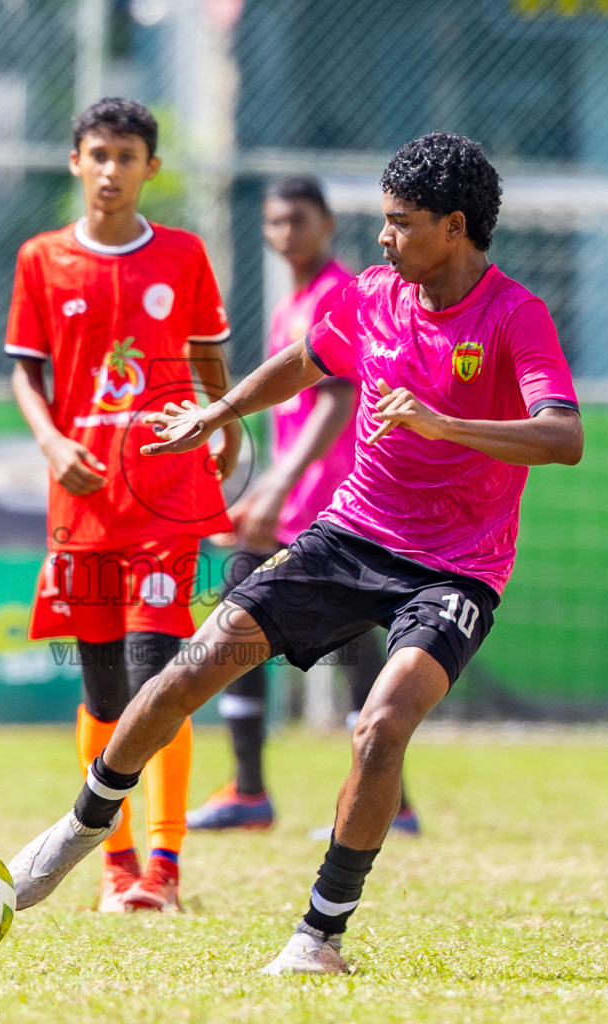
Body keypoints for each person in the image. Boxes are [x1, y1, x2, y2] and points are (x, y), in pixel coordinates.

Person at [7, 131, 583, 974]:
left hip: (455, 566)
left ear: (455, 227)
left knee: (380, 727)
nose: (382, 239)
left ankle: (320, 937)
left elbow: (563, 436)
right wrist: (217, 412)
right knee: (188, 669)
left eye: (401, 223)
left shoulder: (513, 315)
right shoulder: (373, 294)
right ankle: (78, 831)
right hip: (348, 538)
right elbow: (307, 361)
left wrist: (443, 423)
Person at [4, 96, 240, 913]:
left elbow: (210, 358)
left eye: (126, 156)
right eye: (98, 154)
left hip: (167, 500)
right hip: (84, 507)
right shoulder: (41, 259)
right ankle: (115, 866)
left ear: (152, 167)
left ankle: (164, 872)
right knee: (104, 697)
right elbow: (25, 374)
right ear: (76, 162)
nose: (111, 170)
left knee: (161, 681)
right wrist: (52, 442)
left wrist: (226, 421)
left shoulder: (182, 256)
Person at [186, 176, 417, 836]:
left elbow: (338, 400)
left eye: (298, 220)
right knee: (345, 636)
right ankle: (367, 799)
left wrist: (279, 485)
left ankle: (261, 792)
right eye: (274, 221)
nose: (284, 232)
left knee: (245, 609)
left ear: (326, 225)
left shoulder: (343, 293)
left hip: (333, 493)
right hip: (306, 490)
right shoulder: (297, 301)